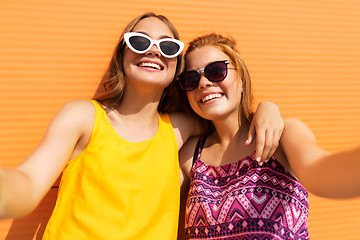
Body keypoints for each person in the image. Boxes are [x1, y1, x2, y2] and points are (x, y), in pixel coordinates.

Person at [0, 13, 284, 239]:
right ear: (122, 55)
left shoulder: (180, 129)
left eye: (167, 46)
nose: (152, 50)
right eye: (139, 41)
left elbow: (226, 112)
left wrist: (266, 108)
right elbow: (28, 182)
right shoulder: (84, 116)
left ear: (176, 68)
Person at [177, 33, 360, 240]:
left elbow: (324, 172)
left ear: (242, 80)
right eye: (191, 79)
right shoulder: (190, 155)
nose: (203, 83)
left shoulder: (284, 134)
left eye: (216, 71)